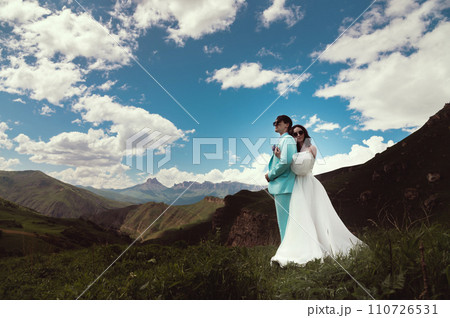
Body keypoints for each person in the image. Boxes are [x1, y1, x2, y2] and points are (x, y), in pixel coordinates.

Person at [270, 124, 365, 267]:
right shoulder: (293, 150)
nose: (298, 135)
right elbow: (290, 166)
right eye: (294, 134)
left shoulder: (311, 148)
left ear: (304, 133)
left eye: (300, 132)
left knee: (316, 214)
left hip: (309, 184)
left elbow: (303, 168)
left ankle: (322, 243)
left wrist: (288, 159)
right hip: (297, 185)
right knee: (300, 216)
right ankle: (301, 245)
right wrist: (280, 156)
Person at [265, 115, 297, 242]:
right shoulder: (284, 140)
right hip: (282, 186)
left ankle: (287, 253)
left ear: (287, 124)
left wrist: (270, 175)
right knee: (284, 222)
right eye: (274, 122)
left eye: (278, 122)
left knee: (284, 223)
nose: (275, 124)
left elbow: (286, 162)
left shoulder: (288, 139)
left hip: (283, 186)